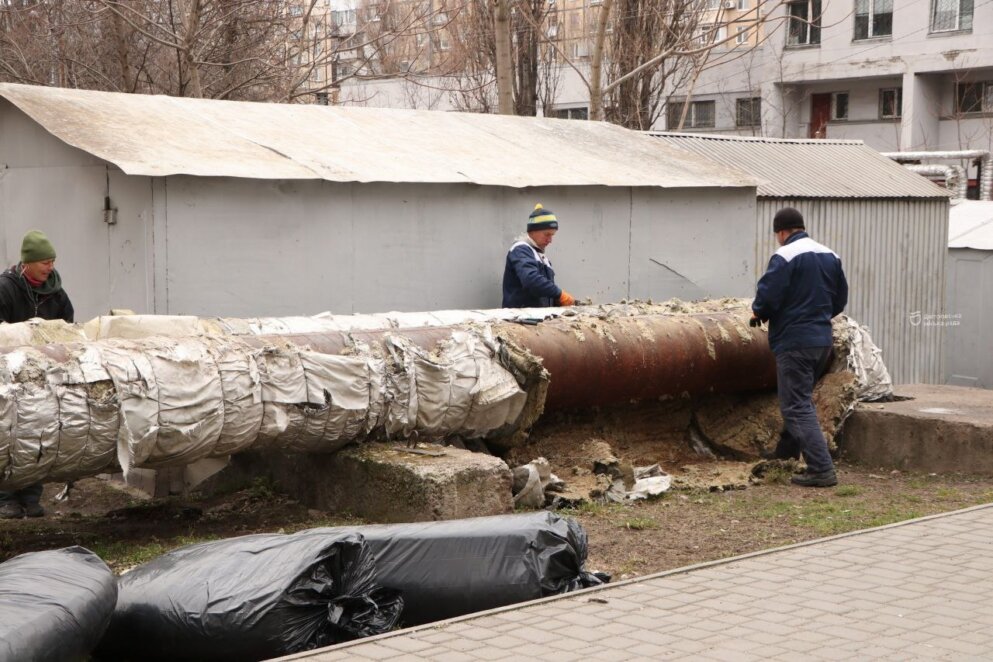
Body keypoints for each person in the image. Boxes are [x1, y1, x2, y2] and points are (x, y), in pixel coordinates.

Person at [751, 208, 848, 488]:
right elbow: (839, 300)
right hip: (821, 340)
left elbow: (767, 296)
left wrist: (758, 313)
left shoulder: (784, 256)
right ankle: (785, 457)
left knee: (795, 405)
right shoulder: (831, 255)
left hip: (795, 341)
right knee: (799, 400)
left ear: (781, 232)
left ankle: (822, 469)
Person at [0, 230, 74, 518]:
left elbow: (67, 329)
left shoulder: (56, 292)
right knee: (8, 434)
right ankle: (6, 497)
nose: (50, 268)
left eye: (52, 261)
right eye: (44, 262)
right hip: (8, 377)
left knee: (38, 434)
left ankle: (31, 498)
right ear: (27, 262)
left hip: (42, 377)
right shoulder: (6, 288)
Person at [502, 203, 576, 309]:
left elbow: (544, 294)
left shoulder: (541, 258)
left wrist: (559, 302)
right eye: (547, 234)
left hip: (536, 318)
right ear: (532, 231)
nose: (550, 240)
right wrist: (560, 294)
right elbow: (531, 280)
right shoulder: (520, 249)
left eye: (552, 235)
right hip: (520, 319)